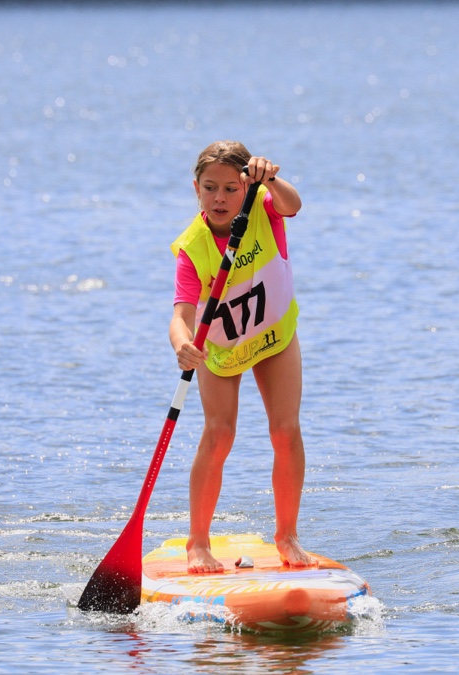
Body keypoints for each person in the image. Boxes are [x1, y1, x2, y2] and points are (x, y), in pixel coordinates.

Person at [169, 140, 315, 573]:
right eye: (210, 187)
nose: (220, 198)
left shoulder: (264, 206)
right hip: (223, 349)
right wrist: (183, 344)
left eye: (231, 189)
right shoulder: (193, 247)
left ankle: (287, 535)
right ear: (195, 188)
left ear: (246, 186)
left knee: (285, 431)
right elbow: (181, 315)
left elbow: (294, 205)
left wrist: (269, 178)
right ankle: (198, 543)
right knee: (220, 434)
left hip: (274, 335)